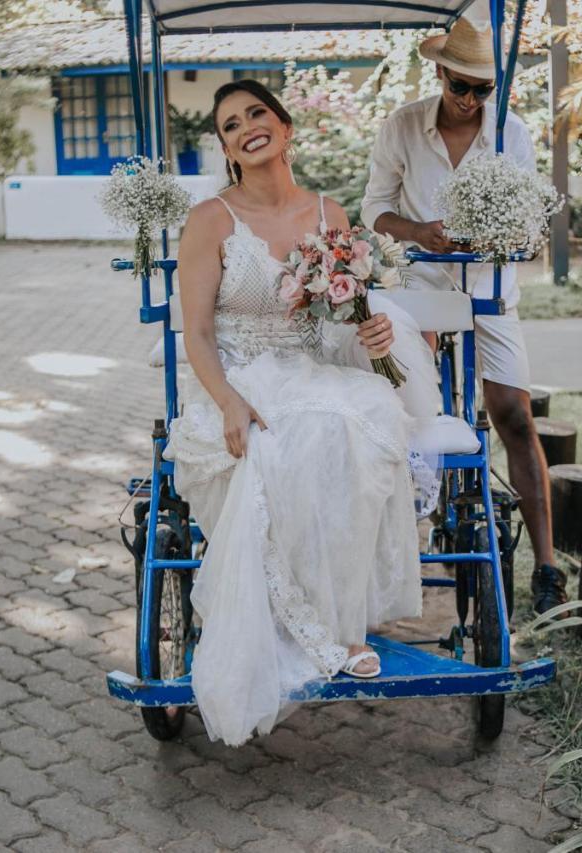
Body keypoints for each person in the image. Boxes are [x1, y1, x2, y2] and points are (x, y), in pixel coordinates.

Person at [164, 80, 423, 746]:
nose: (246, 127)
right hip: (234, 377)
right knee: (278, 442)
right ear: (226, 148)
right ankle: (291, 626)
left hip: (310, 369)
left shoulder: (329, 215)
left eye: (256, 114)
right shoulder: (210, 220)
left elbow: (340, 317)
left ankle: (342, 627)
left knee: (363, 419)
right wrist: (227, 398)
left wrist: (371, 335)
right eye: (230, 125)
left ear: (284, 126)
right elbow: (193, 332)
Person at [361, 18, 568, 614]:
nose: (472, 101)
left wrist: (507, 234)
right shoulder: (402, 127)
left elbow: (530, 217)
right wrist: (417, 231)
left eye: (484, 90)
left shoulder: (511, 134)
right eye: (462, 88)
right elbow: (374, 207)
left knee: (513, 416)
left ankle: (547, 564)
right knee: (407, 402)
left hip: (489, 281)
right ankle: (398, 540)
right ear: (440, 73)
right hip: (424, 281)